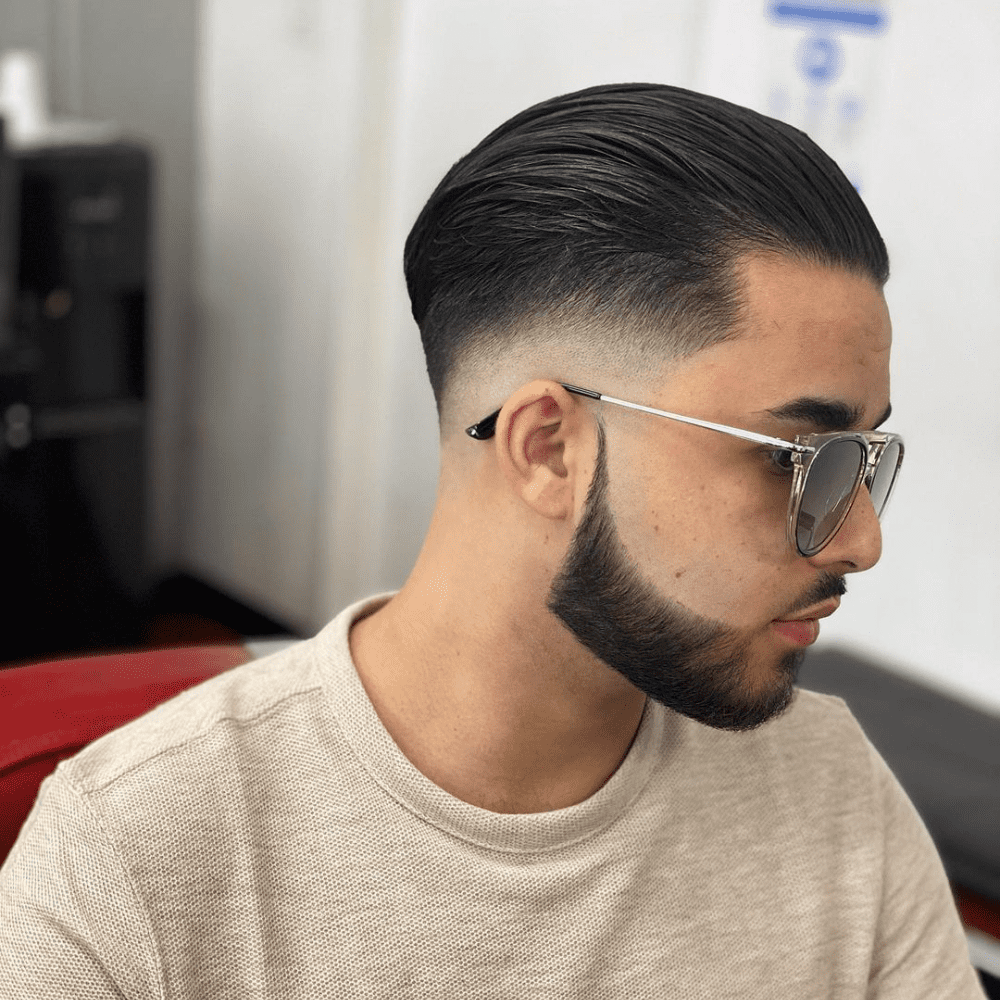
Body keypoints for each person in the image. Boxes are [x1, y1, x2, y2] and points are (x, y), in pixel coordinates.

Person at [0, 83, 986, 998]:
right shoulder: (129, 864)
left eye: (863, 461)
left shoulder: (829, 793)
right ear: (549, 448)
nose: (860, 540)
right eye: (799, 458)